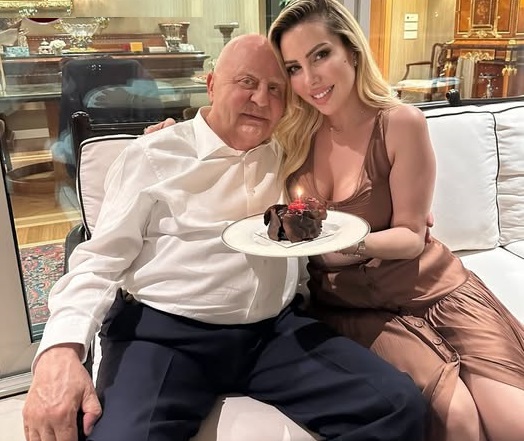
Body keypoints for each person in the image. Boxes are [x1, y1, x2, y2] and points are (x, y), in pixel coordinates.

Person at [22, 34, 426, 441]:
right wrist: (60, 350)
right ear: (212, 84)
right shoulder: (153, 155)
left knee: (397, 406)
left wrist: (407, 208)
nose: (261, 99)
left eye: (276, 89)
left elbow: (350, 171)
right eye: (246, 83)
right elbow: (98, 260)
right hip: (164, 335)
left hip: (274, 332)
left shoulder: (290, 153)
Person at [266, 1, 524, 441]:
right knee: (458, 419)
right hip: (355, 308)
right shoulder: (290, 138)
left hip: (435, 289)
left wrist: (345, 243)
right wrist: (170, 132)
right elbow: (228, 133)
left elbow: (410, 238)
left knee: (513, 423)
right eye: (294, 68)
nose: (310, 80)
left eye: (320, 55)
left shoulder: (401, 123)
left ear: (351, 51)